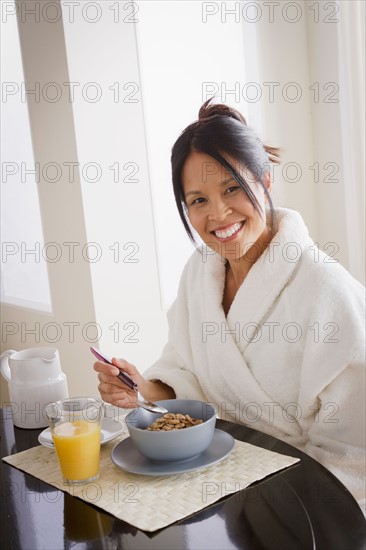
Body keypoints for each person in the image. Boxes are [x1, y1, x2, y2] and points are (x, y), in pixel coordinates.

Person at [94, 99, 365, 513]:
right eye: (198, 200)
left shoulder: (329, 291)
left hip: (312, 501)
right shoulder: (200, 274)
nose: (218, 214)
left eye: (232, 188)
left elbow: (353, 451)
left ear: (265, 180)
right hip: (224, 488)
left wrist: (281, 505)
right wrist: (141, 391)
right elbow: (184, 369)